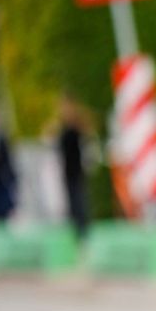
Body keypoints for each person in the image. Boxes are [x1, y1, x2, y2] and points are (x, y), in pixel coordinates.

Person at [56, 95, 91, 238]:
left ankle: (83, 232)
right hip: (68, 170)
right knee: (72, 202)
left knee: (79, 202)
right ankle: (76, 232)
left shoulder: (76, 128)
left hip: (76, 170)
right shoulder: (65, 128)